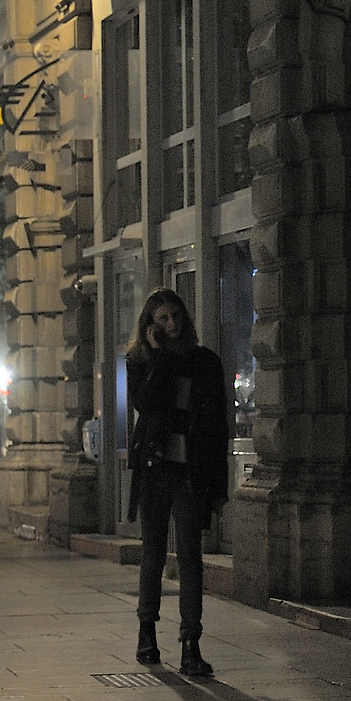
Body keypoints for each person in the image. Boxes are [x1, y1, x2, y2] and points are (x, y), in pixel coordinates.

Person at [127, 287, 229, 675]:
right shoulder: (139, 361)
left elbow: (218, 427)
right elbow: (146, 404)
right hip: (155, 468)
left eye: (175, 316)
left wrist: (218, 485)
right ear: (150, 326)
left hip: (191, 472)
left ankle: (190, 644)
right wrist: (160, 357)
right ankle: (146, 633)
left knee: (191, 557)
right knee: (152, 552)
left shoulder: (205, 362)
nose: (171, 324)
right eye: (162, 319)